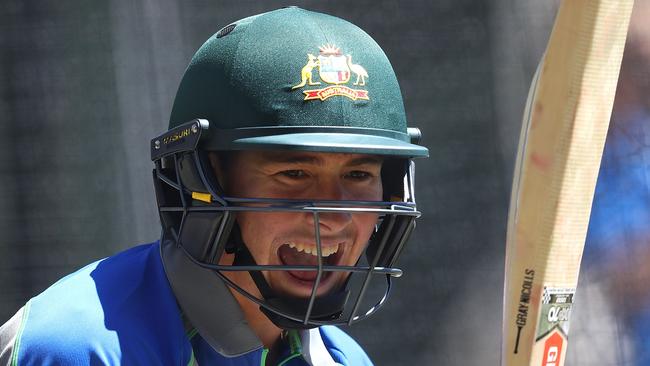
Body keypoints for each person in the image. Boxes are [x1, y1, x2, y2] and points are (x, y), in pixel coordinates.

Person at [0, 7, 428, 365]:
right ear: (200, 181)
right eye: (294, 174)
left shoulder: (341, 357)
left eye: (358, 176)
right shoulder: (81, 346)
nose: (334, 217)